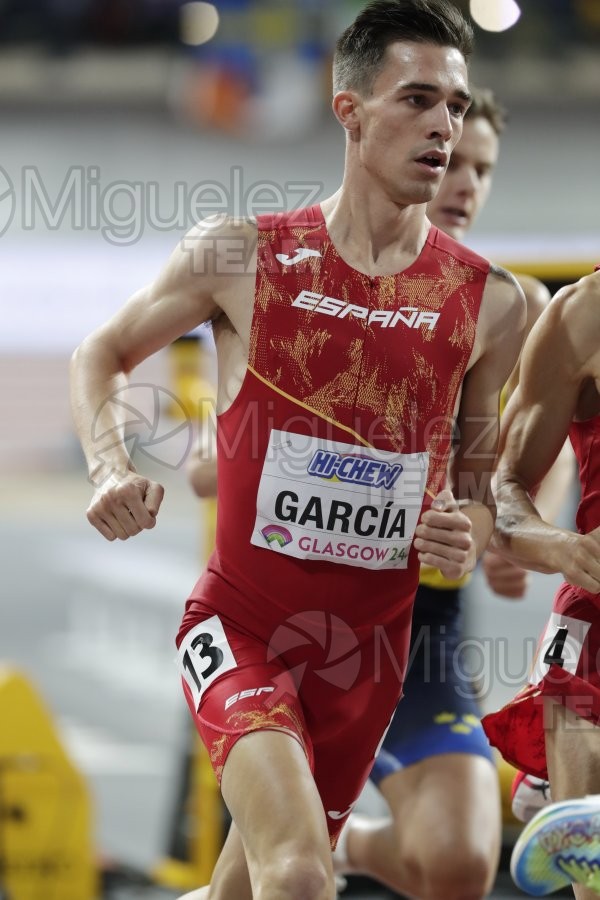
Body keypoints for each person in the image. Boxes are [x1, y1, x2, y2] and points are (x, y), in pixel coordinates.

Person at [70, 2, 526, 898]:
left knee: (248, 889)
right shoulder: (243, 255)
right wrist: (112, 465)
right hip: (240, 627)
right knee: (300, 881)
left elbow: (477, 492)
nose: (442, 124)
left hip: (367, 658)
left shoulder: (493, 305)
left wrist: (467, 529)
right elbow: (102, 353)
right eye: (418, 99)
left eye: (457, 104)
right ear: (348, 108)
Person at [329, 86, 572, 899]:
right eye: (452, 160)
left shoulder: (513, 306)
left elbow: (541, 444)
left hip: (418, 627)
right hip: (297, 609)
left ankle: (354, 846)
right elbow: (211, 455)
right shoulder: (317, 282)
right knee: (278, 864)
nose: (463, 182)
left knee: (463, 866)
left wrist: (518, 526)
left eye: (483, 168)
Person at [481, 266, 600, 898]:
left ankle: (558, 793)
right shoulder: (582, 315)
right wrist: (557, 545)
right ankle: (568, 795)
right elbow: (500, 488)